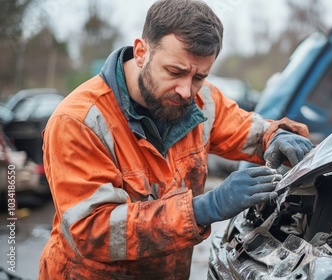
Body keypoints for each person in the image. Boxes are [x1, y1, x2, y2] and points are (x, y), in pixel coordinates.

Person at [38, 0, 313, 279]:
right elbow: (93, 232)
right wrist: (205, 208)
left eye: (199, 77)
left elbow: (248, 131)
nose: (185, 91)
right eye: (175, 72)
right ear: (142, 52)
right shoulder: (79, 122)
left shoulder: (202, 100)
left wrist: (275, 135)